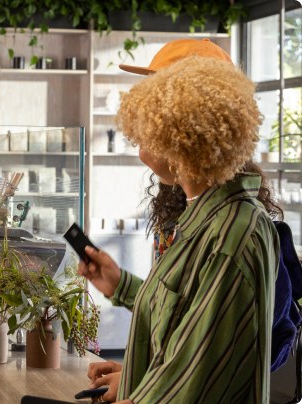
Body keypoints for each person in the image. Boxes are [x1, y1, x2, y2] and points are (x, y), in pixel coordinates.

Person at [79, 39, 280, 403]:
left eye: (154, 102)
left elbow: (191, 381)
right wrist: (120, 286)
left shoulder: (229, 236)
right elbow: (185, 330)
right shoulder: (202, 214)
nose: (139, 124)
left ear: (185, 123)